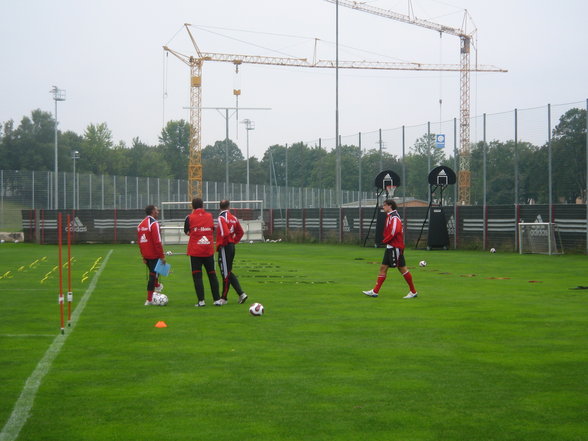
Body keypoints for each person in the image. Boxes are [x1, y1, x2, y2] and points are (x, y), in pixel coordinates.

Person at [363, 199, 418, 299]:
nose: (383, 207)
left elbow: (394, 231)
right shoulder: (390, 216)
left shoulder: (394, 217)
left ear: (390, 206)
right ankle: (375, 291)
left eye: (384, 205)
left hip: (395, 246)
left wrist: (385, 240)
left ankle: (413, 291)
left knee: (402, 268)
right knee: (383, 268)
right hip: (390, 246)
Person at [184, 198, 221, 307]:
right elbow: (212, 229)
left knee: (197, 276)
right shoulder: (209, 216)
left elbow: (186, 232)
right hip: (208, 250)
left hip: (195, 251)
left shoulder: (189, 217)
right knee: (212, 275)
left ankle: (201, 301)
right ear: (203, 205)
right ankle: (217, 300)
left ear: (192, 206)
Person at [214, 200, 248, 306]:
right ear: (229, 207)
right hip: (231, 246)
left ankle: (223, 298)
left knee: (225, 272)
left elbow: (225, 232)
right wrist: (234, 242)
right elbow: (240, 232)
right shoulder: (234, 218)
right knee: (228, 272)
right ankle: (241, 294)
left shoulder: (221, 217)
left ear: (219, 207)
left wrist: (223, 243)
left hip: (225, 246)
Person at [137, 205, 166, 305]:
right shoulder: (154, 224)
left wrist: (143, 256)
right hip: (154, 255)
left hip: (146, 254)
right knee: (153, 275)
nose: (158, 212)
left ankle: (157, 286)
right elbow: (157, 241)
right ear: (153, 211)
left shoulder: (140, 224)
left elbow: (140, 241)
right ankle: (149, 300)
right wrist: (162, 256)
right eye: (157, 210)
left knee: (156, 272)